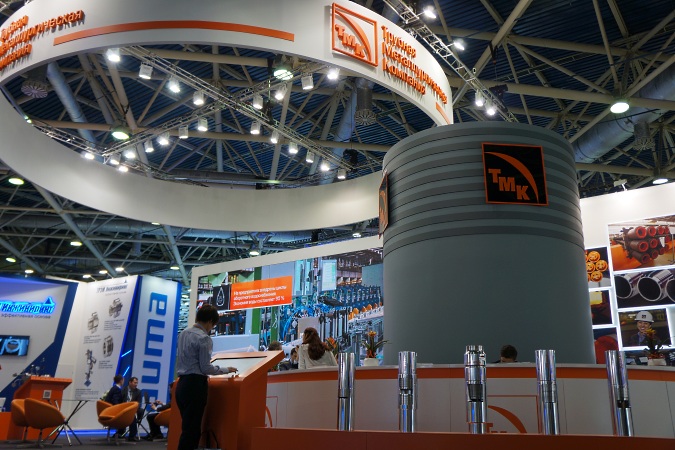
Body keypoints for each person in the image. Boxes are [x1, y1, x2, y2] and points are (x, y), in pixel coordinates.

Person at [175, 304, 237, 450]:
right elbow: (205, 368)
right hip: (195, 386)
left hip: (182, 385)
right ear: (210, 321)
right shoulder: (204, 339)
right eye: (213, 325)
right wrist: (226, 369)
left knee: (187, 429)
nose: (211, 328)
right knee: (192, 432)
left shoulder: (183, 333)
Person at [120, 377, 143, 441]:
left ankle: (132, 435)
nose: (136, 384)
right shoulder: (123, 390)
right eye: (135, 383)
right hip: (123, 408)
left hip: (133, 409)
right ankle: (120, 432)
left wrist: (134, 409)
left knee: (138, 412)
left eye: (137, 383)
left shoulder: (138, 392)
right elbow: (120, 401)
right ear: (130, 382)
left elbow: (138, 403)